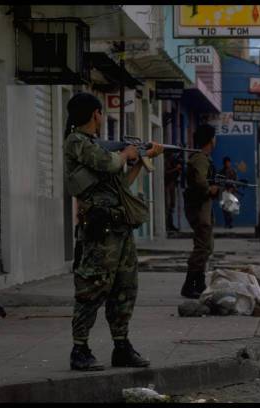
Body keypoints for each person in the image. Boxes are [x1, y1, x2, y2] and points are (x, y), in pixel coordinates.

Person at [63, 92, 164, 371]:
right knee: (92, 287)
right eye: (100, 113)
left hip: (119, 226)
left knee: (124, 287)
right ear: (95, 113)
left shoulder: (98, 147)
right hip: (99, 228)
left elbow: (121, 182)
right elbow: (109, 163)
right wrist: (128, 153)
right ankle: (79, 348)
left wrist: (140, 160)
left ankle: (121, 345)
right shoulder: (77, 142)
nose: (102, 117)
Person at [182, 124, 218, 298]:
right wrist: (211, 189)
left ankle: (199, 282)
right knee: (202, 247)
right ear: (211, 140)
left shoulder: (201, 158)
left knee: (206, 246)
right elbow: (200, 181)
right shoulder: (200, 158)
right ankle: (190, 285)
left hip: (202, 207)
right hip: (199, 207)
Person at [165, 152, 183, 232]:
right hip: (167, 185)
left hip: (173, 185)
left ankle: (170, 224)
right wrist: (176, 169)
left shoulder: (174, 163)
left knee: (172, 206)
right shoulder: (167, 162)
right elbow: (166, 173)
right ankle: (168, 225)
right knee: (168, 206)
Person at [218, 157, 238, 229]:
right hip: (224, 191)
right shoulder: (221, 172)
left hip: (231, 191)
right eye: (226, 162)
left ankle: (230, 223)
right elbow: (219, 182)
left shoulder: (233, 171)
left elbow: (235, 181)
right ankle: (227, 223)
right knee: (224, 209)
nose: (228, 164)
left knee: (230, 208)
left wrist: (232, 189)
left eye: (228, 162)